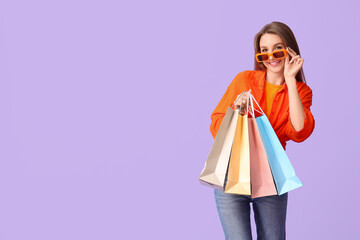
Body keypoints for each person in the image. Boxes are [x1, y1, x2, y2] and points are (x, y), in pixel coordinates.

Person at [210, 21, 315, 240]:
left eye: (277, 48)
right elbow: (216, 125)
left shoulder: (301, 92)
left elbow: (299, 130)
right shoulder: (244, 80)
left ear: (290, 50)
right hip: (232, 175)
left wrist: (289, 80)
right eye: (263, 52)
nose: (271, 56)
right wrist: (235, 114)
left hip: (271, 177)